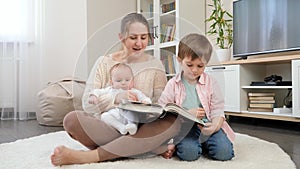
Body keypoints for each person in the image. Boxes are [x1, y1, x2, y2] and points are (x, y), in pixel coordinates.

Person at [50, 12, 181, 166]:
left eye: (144, 37)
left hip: (143, 128)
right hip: (112, 125)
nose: (139, 43)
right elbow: (87, 103)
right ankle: (147, 148)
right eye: (133, 38)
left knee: (173, 122)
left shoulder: (156, 65)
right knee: (72, 120)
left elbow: (161, 102)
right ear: (121, 37)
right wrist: (115, 99)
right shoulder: (104, 62)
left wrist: (147, 107)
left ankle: (91, 156)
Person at [158, 33, 235, 161]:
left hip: (207, 125)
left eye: (200, 66)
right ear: (179, 60)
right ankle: (194, 145)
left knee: (224, 153)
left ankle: (204, 143)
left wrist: (215, 125)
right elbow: (163, 109)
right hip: (185, 128)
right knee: (189, 154)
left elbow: (218, 109)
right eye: (189, 65)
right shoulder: (173, 84)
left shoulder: (211, 82)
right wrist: (186, 113)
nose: (194, 70)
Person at [88, 63, 152, 135]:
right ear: (112, 82)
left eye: (127, 80)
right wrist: (93, 95)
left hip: (129, 115)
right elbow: (97, 91)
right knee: (104, 116)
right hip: (115, 115)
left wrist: (145, 102)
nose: (123, 83)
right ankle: (121, 128)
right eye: (118, 81)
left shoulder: (134, 91)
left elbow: (144, 98)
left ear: (132, 81)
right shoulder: (110, 89)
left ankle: (133, 126)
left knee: (133, 112)